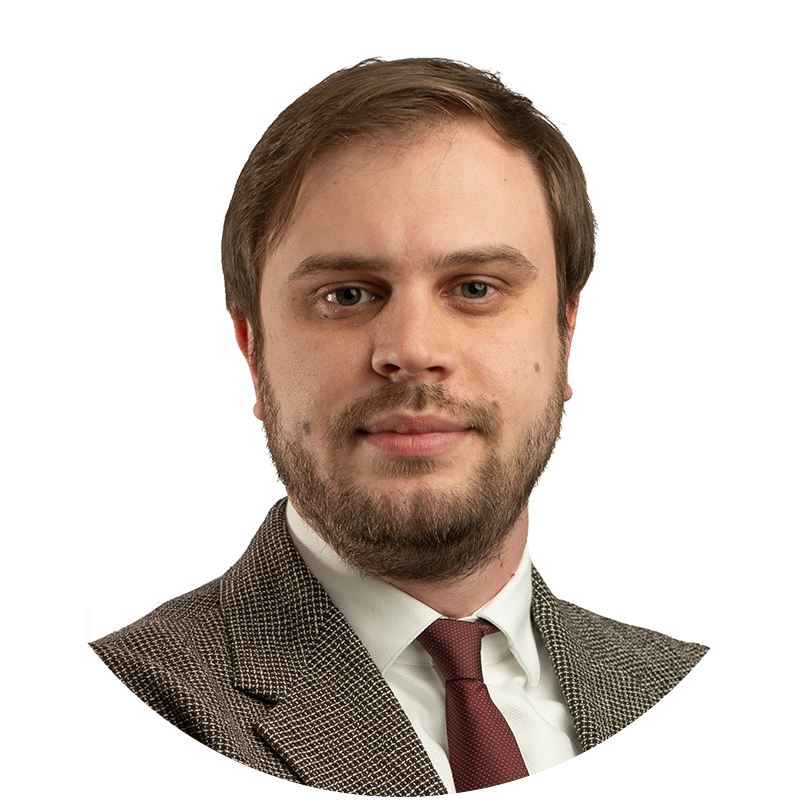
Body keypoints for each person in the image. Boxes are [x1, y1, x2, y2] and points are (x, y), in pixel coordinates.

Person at [5, 57, 795, 798]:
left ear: (565, 331)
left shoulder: (734, 725)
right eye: (347, 295)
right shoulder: (109, 723)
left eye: (476, 287)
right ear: (253, 350)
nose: (412, 350)